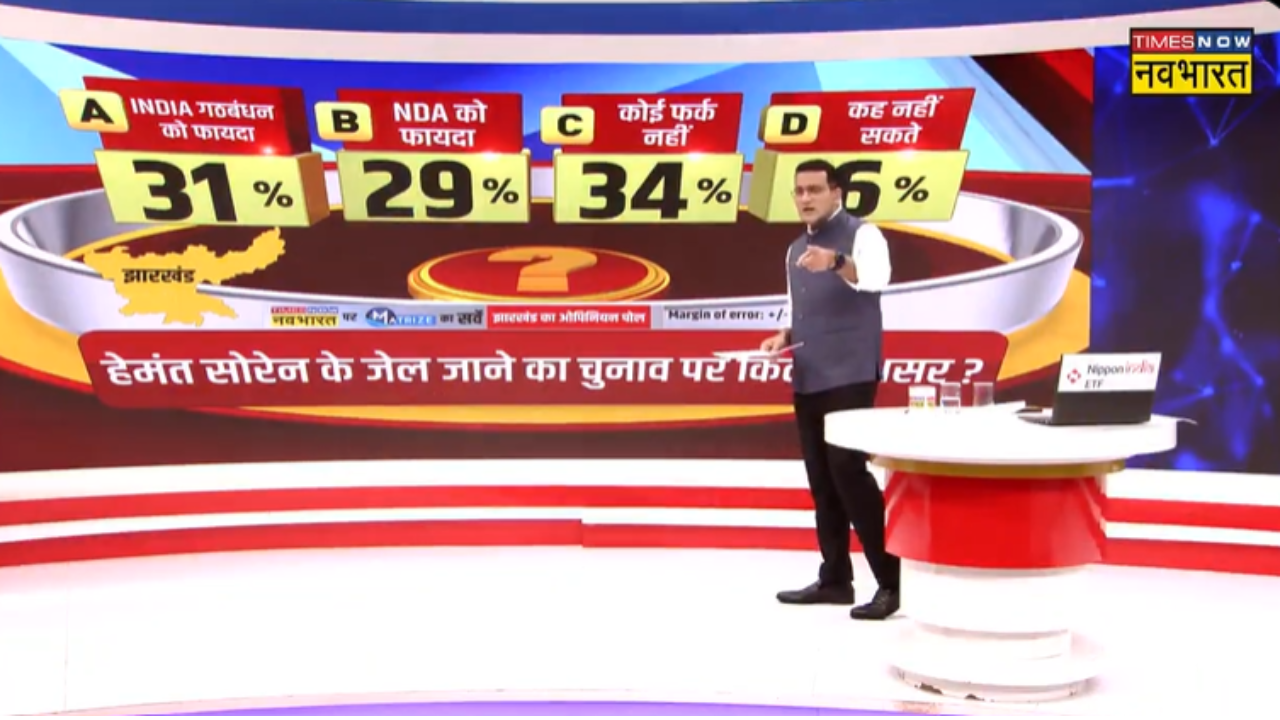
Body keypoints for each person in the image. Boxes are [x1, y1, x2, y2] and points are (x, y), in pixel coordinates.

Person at [761, 159, 901, 621]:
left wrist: (837, 262)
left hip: (851, 373)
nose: (805, 198)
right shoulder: (793, 249)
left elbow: (877, 279)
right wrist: (783, 335)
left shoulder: (863, 235)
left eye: (814, 190)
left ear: (836, 192)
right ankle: (836, 578)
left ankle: (892, 581)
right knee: (822, 481)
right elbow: (799, 306)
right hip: (809, 373)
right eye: (799, 191)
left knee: (849, 473)